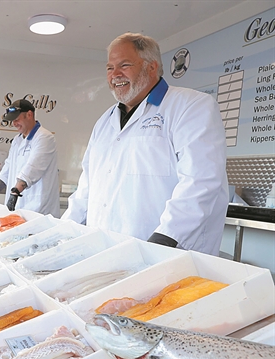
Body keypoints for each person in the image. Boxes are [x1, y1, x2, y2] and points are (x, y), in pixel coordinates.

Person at [62, 33, 228, 255]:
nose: (115, 75)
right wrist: (63, 231)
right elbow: (87, 186)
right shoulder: (104, 122)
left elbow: (201, 181)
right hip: (103, 251)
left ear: (152, 67)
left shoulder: (191, 106)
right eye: (110, 68)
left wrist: (164, 239)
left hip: (167, 251)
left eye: (125, 65)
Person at [0, 99, 60, 217]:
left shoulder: (45, 137)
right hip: (18, 208)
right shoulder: (17, 140)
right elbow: (7, 168)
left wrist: (15, 193)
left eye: (17, 119)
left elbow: (33, 168)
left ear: (29, 115)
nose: (14, 124)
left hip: (38, 209)